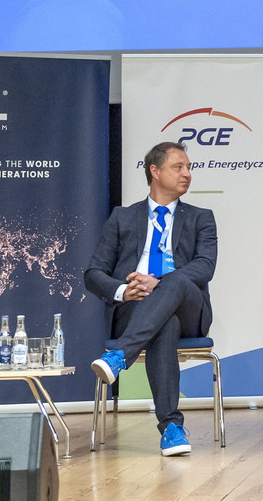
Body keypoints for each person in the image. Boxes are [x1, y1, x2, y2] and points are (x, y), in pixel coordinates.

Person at [86, 142, 218, 457]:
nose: (187, 174)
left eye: (189, 168)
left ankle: (120, 355)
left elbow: (205, 266)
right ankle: (171, 428)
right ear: (155, 171)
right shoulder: (122, 217)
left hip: (188, 308)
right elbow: (93, 273)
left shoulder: (201, 218)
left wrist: (158, 281)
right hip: (135, 308)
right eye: (178, 167)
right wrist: (123, 290)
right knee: (164, 323)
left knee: (175, 281)